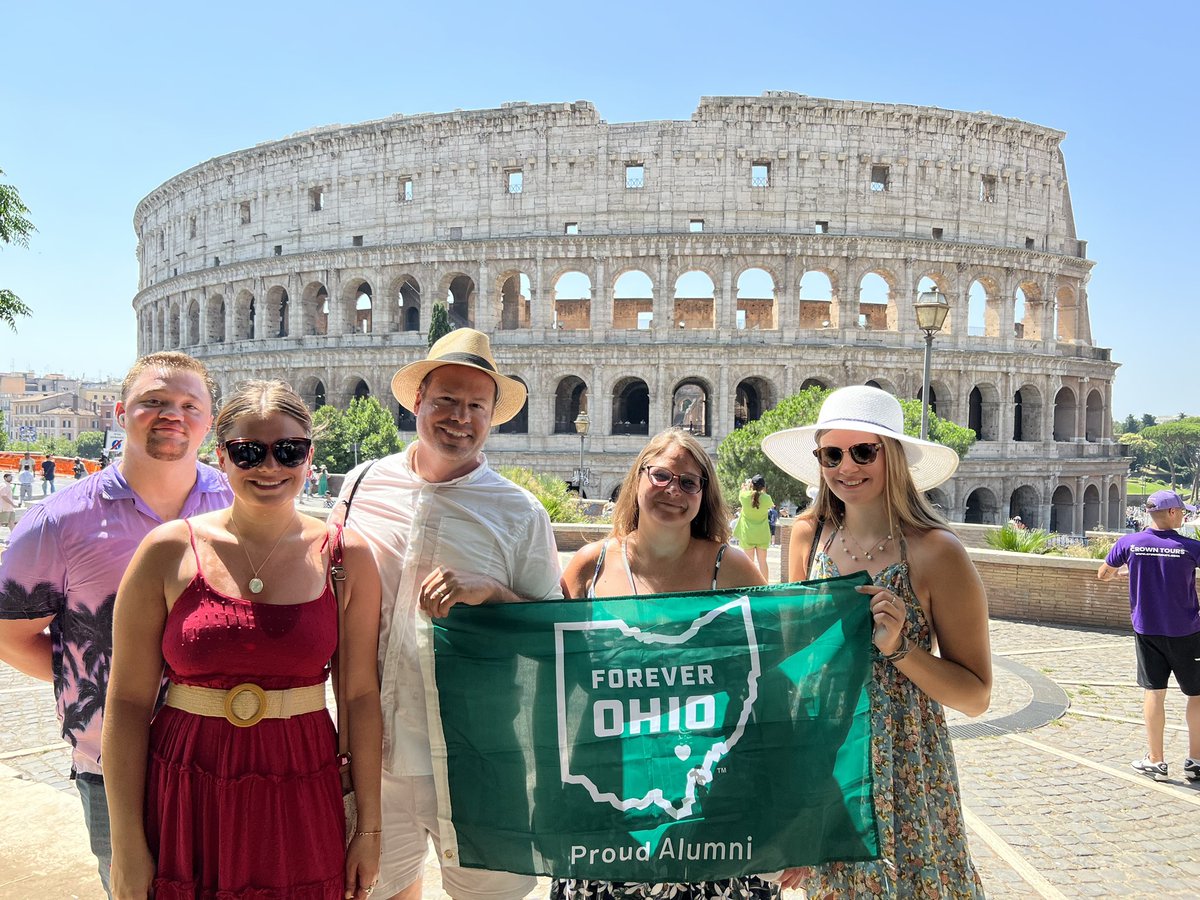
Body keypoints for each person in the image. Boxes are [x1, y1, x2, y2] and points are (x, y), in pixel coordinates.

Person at [104, 380, 383, 899]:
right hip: (187, 781)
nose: (270, 467)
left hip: (301, 779)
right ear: (222, 457)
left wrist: (368, 827)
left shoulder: (347, 557)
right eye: (249, 451)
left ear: (309, 457)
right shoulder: (166, 551)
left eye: (288, 451)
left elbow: (362, 697)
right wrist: (126, 843)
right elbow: (125, 702)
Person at [334, 328, 562, 900]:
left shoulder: (519, 512)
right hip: (374, 755)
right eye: (446, 401)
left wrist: (494, 592)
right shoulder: (362, 486)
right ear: (417, 403)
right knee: (373, 892)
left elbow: (552, 635)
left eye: (476, 407)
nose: (461, 418)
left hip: (478, 755)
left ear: (493, 417)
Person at [0, 351, 233, 898]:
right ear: (120, 412)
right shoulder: (59, 521)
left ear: (208, 421)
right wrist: (90, 678)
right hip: (111, 763)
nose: (171, 414)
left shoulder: (238, 500)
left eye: (188, 405)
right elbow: (9, 635)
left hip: (224, 748)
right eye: (153, 402)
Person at [762, 385, 991, 898]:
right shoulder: (806, 535)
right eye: (831, 453)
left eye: (864, 451)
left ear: (895, 458)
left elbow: (975, 695)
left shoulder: (936, 553)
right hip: (828, 755)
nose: (847, 466)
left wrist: (901, 650)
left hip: (905, 761)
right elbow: (793, 662)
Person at [556, 428, 773, 900]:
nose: (673, 490)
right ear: (638, 478)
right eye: (661, 476)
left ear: (704, 496)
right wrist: (488, 603)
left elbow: (775, 674)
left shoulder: (731, 568)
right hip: (610, 789)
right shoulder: (588, 567)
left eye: (690, 483)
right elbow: (548, 662)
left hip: (711, 796)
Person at [1098, 490, 1200, 782]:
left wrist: (1124, 573)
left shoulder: (1130, 543)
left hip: (1147, 630)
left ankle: (1156, 760)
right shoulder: (1191, 547)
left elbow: (1103, 574)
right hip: (1188, 631)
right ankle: (1196, 761)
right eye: (1182, 511)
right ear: (1170, 513)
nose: (1185, 515)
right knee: (1196, 695)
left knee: (1154, 692)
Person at [734, 474, 774, 580]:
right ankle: (765, 586)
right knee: (762, 561)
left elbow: (743, 491)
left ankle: (749, 584)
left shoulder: (744, 496)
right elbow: (770, 504)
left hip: (747, 533)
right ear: (763, 487)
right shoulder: (767, 498)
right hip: (762, 534)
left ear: (751, 484)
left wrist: (746, 487)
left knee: (749, 562)